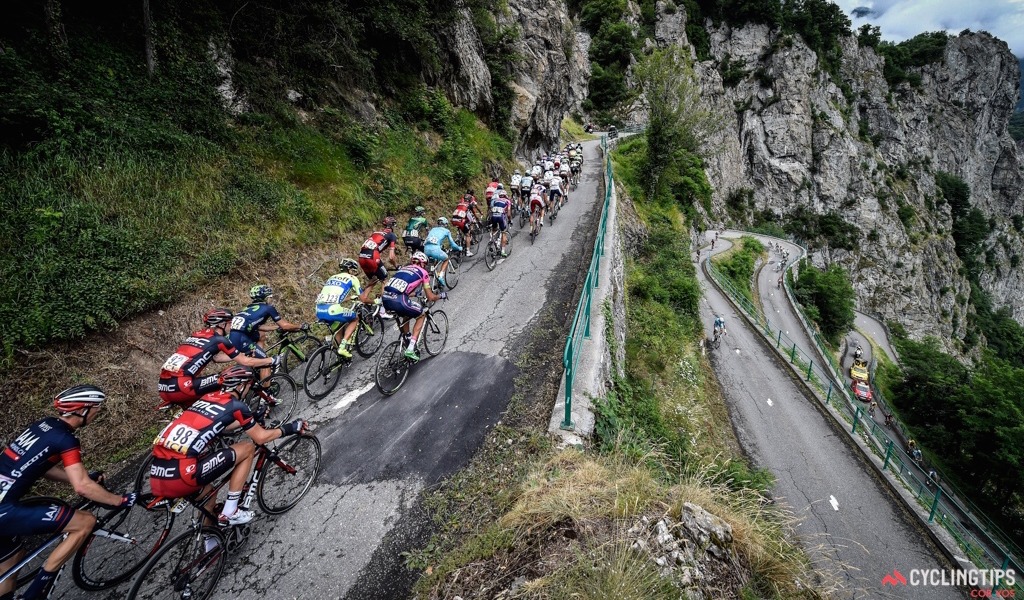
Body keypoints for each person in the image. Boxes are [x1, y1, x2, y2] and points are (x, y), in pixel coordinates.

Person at [0, 385, 137, 600]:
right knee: (85, 522)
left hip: (5, 504)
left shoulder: (43, 425)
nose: (97, 413)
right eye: (96, 408)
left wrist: (83, 477)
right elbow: (81, 487)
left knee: (13, 557)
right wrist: (119, 500)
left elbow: (43, 467)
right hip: (4, 510)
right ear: (83, 410)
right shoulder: (66, 439)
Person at [149, 366, 307, 530]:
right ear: (240, 386)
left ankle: (209, 548)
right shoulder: (236, 405)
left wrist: (250, 419)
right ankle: (231, 510)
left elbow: (221, 423)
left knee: (209, 498)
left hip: (159, 474)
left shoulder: (206, 398)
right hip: (184, 473)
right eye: (248, 386)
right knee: (247, 448)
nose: (248, 390)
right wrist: (290, 428)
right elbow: (260, 437)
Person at [158, 308, 277, 408]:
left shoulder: (196, 335)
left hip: (163, 386)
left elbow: (216, 358)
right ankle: (236, 410)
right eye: (230, 323)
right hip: (183, 386)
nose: (232, 326)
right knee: (240, 373)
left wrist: (239, 354)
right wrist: (270, 360)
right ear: (221, 324)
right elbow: (245, 362)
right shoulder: (219, 340)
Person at [230, 284, 306, 378]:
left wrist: (275, 328)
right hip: (241, 338)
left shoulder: (248, 308)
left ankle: (256, 358)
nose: (271, 299)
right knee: (266, 362)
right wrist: (300, 326)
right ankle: (266, 390)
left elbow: (258, 326)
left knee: (261, 335)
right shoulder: (268, 308)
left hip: (234, 335)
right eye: (270, 297)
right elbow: (285, 326)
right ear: (265, 298)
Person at [381, 252, 446, 361]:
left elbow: (399, 288)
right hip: (399, 300)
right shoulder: (423, 272)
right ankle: (410, 349)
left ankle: (407, 338)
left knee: (407, 313)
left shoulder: (403, 269)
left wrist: (415, 294)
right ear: (423, 263)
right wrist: (441, 296)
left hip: (385, 299)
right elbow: (430, 297)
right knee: (421, 315)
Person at [315, 258, 367, 358]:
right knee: (355, 318)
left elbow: (333, 297)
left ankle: (340, 355)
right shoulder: (352, 278)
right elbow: (363, 298)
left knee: (337, 326)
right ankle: (342, 347)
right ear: (350, 269)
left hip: (319, 310)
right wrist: (374, 301)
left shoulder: (332, 278)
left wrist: (348, 298)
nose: (354, 272)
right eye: (353, 270)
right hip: (332, 310)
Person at [358, 216, 399, 316]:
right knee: (384, 280)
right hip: (373, 257)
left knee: (374, 279)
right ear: (392, 226)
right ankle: (383, 310)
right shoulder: (391, 235)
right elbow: (391, 257)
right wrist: (397, 266)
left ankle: (363, 300)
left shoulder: (375, 233)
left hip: (362, 257)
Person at [424, 217, 462, 289]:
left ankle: (434, 276)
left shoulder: (433, 229)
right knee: (446, 259)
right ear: (445, 224)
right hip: (435, 249)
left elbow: (432, 239)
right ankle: (441, 276)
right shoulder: (446, 231)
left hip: (426, 249)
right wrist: (459, 248)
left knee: (434, 262)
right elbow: (453, 245)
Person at [489, 189, 512, 256]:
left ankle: (492, 241)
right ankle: (503, 251)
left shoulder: (495, 200)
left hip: (493, 216)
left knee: (494, 229)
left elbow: (491, 209)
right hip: (501, 217)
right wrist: (510, 220)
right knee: (503, 233)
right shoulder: (507, 201)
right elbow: (508, 213)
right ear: (505, 195)